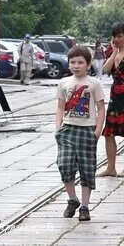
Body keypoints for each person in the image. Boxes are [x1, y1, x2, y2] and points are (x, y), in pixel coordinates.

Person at [55, 44, 105, 222]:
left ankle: (85, 206)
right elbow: (60, 107)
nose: (76, 65)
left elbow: (101, 109)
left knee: (87, 169)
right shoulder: (64, 83)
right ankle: (72, 199)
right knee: (64, 164)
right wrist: (58, 128)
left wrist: (97, 132)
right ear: (68, 64)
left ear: (89, 64)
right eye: (72, 62)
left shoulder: (94, 84)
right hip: (68, 129)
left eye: (80, 62)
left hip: (87, 131)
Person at [100, 23, 124, 177]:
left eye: (120, 36)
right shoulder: (113, 52)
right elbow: (106, 70)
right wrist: (115, 52)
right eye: (114, 37)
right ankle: (111, 167)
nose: (116, 39)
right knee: (109, 133)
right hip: (115, 98)